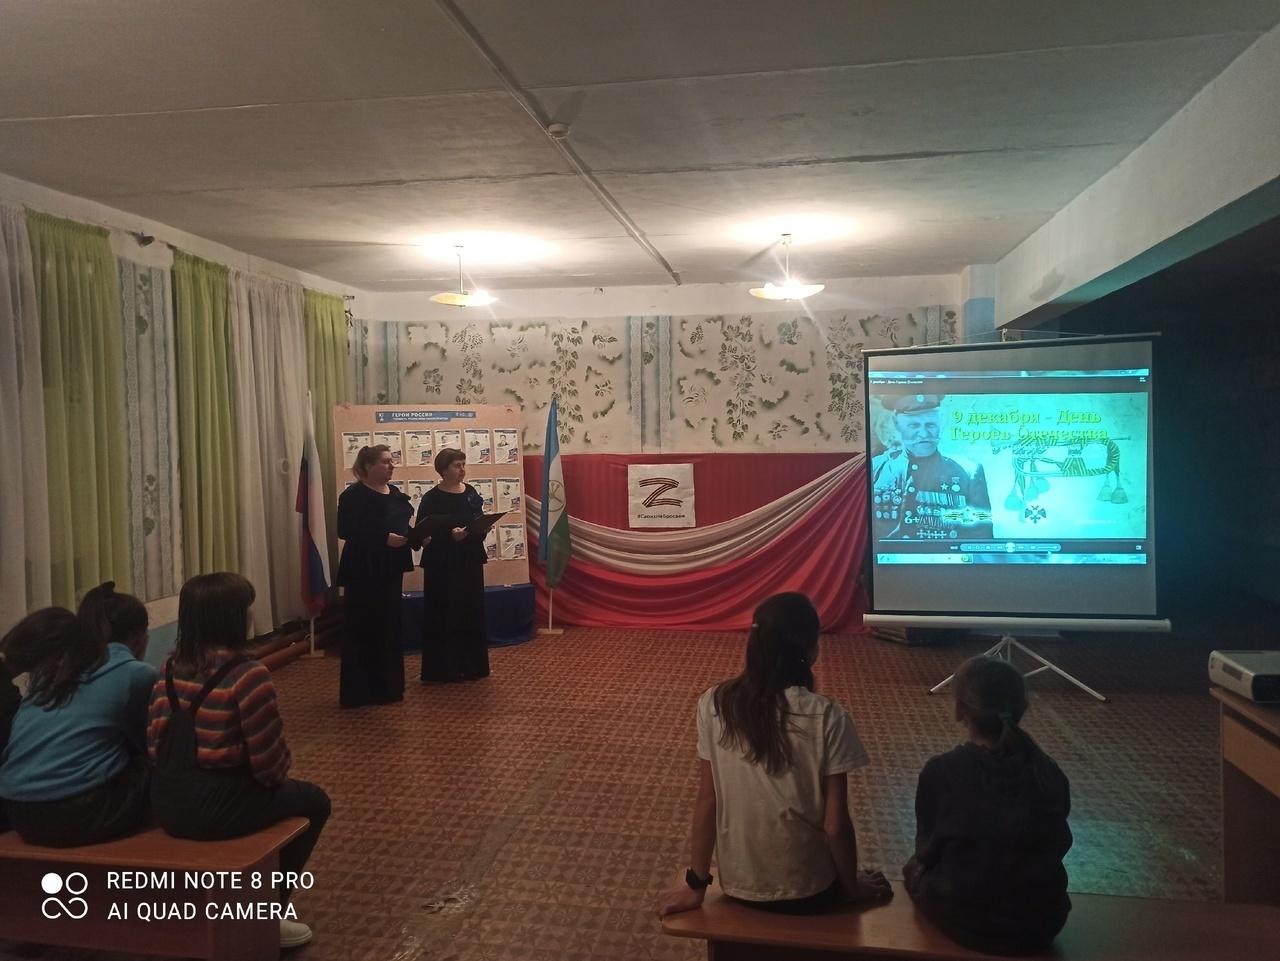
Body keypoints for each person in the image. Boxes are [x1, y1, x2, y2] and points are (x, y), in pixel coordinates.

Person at [656, 593, 891, 917]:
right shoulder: (828, 716)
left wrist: (696, 884)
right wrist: (852, 886)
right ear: (810, 650)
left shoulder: (713, 704)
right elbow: (835, 825)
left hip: (739, 885)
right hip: (811, 889)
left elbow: (707, 800)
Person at [148, 572, 330, 950]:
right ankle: (266, 914)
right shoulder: (248, 675)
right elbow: (269, 764)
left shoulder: (168, 669)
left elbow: (155, 744)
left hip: (166, 800)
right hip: (218, 805)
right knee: (313, 801)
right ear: (232, 619)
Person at [903, 656, 1072, 954]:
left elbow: (927, 850)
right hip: (1043, 921)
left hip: (966, 920)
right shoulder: (1048, 771)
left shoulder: (943, 770)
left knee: (912, 868)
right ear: (1021, 708)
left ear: (960, 710)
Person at [0, 598, 156, 846]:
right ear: (140, 638)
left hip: (18, 810)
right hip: (79, 812)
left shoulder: (44, 681)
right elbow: (148, 742)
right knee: (155, 762)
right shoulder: (134, 673)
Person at [336, 444, 414, 707]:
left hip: (390, 566)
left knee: (389, 624)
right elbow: (345, 530)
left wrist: (417, 536)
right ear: (368, 466)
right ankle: (361, 691)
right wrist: (383, 538)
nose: (392, 466)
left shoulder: (395, 494)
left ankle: (388, 687)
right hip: (363, 568)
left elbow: (402, 525)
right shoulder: (353, 496)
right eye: (385, 461)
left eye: (392, 461)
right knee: (363, 626)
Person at [871, 394, 993, 541]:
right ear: (896, 423)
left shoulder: (968, 472)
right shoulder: (876, 468)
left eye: (930, 425)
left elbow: (982, 540)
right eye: (914, 425)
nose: (924, 434)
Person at [415, 447, 490, 683]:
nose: (462, 470)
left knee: (470, 610)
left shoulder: (471, 492)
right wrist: (449, 536)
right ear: (443, 469)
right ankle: (444, 669)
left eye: (463, 464)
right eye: (457, 465)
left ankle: (472, 666)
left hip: (469, 559)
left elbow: (477, 520)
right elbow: (422, 533)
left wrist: (482, 528)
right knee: (445, 612)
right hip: (442, 563)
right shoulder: (431, 498)